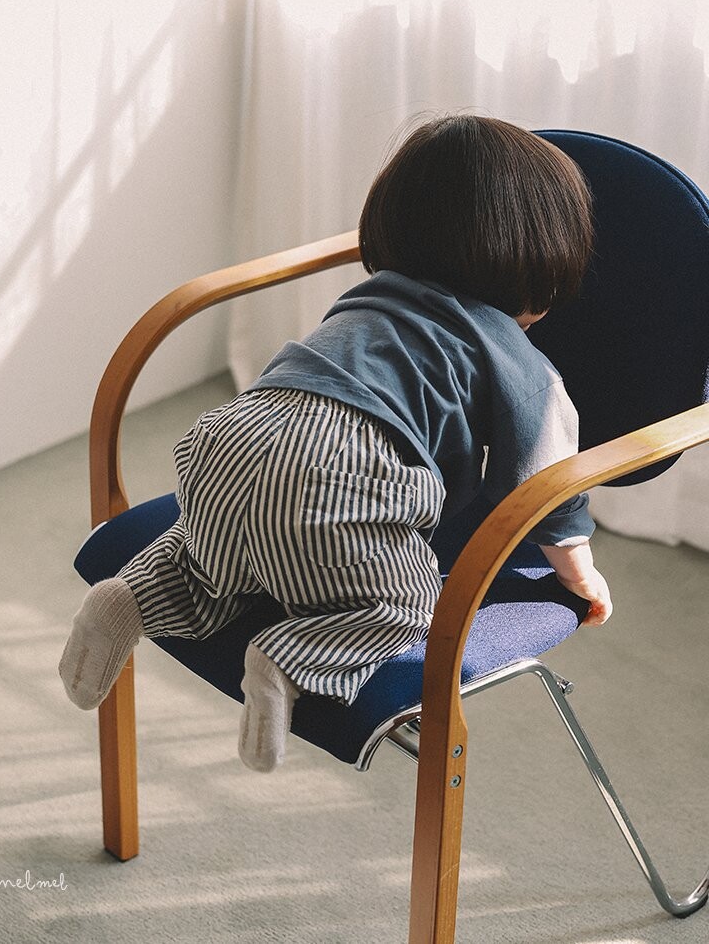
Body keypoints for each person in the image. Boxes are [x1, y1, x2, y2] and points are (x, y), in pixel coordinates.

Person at [59, 114, 612, 772]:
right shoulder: (519, 363)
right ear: (538, 272)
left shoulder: (363, 301)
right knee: (402, 603)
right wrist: (579, 574)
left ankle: (132, 596)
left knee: (212, 558)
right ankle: (291, 658)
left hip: (228, 441)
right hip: (337, 476)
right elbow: (549, 482)